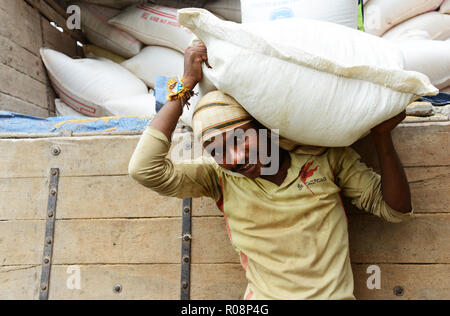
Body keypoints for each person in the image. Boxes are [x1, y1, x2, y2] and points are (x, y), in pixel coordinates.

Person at [128, 44, 413, 300]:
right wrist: (187, 84)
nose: (235, 158)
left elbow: (395, 209)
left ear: (264, 131)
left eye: (241, 139)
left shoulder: (325, 158)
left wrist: (382, 137)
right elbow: (144, 170)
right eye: (217, 151)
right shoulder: (219, 178)